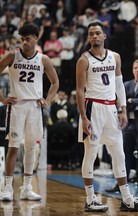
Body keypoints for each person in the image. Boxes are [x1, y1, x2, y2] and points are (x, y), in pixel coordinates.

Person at [76, 21, 138, 212]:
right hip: (92, 107)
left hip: (111, 109)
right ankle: (90, 198)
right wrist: (83, 118)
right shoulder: (84, 59)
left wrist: (123, 109)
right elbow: (79, 91)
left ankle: (126, 198)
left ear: (104, 35)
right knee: (91, 153)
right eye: (91, 33)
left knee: (119, 153)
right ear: (88, 37)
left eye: (98, 33)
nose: (94, 36)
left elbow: (119, 86)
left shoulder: (114, 57)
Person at [0, 24, 59, 201]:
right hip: (16, 106)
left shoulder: (43, 59)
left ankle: (26, 188)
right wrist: (2, 98)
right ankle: (8, 188)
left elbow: (55, 83)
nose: (25, 42)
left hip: (34, 107)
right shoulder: (12, 56)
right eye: (22, 39)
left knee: (31, 147)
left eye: (28, 38)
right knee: (13, 147)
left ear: (36, 38)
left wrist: (47, 100)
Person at [106, 59, 138, 193]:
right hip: (129, 124)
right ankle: (121, 184)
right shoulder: (127, 84)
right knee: (123, 155)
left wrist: (129, 100)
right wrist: (135, 102)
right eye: (135, 68)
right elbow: (119, 101)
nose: (137, 70)